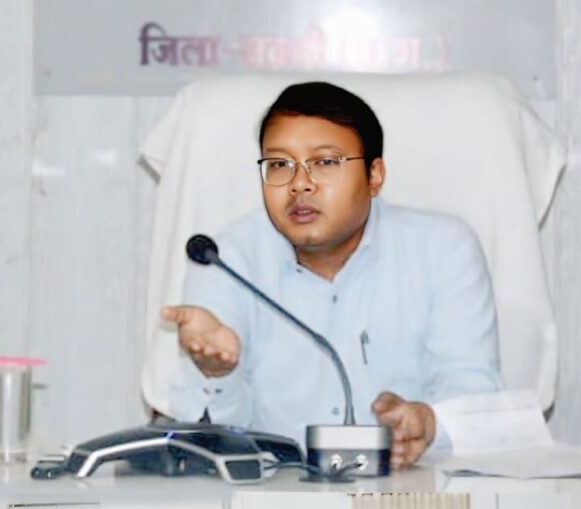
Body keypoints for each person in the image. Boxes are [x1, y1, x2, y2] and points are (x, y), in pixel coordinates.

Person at [163, 81, 500, 469]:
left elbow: (476, 395)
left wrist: (430, 423)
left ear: (374, 175)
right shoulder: (224, 260)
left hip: (411, 489)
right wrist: (218, 373)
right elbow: (213, 443)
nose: (299, 184)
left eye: (325, 162)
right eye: (279, 164)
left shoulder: (442, 249)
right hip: (275, 493)